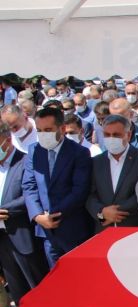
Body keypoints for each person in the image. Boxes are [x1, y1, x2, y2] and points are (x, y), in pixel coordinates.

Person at [21, 107, 93, 268]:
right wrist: (37, 215)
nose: (43, 134)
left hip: (72, 228)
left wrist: (53, 215)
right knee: (55, 275)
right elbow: (29, 185)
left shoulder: (79, 153)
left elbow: (79, 190)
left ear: (62, 129)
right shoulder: (34, 150)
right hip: (46, 231)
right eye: (39, 130)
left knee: (78, 274)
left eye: (48, 130)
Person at [0, 121, 49, 307]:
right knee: (15, 283)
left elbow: (30, 194)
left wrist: (6, 210)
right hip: (3, 238)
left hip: (22, 233)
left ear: (7, 140)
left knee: (34, 281)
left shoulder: (25, 161)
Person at [85, 115, 138, 232]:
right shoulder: (96, 162)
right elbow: (90, 195)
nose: (111, 138)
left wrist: (115, 213)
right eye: (107, 135)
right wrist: (102, 213)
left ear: (128, 135)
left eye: (116, 135)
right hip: (104, 229)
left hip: (134, 228)